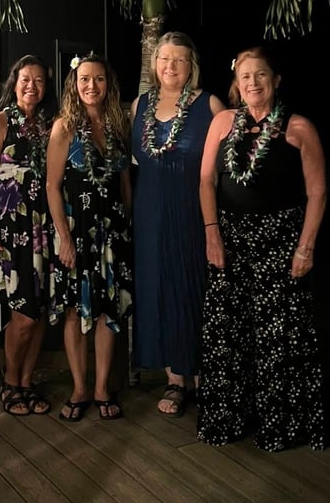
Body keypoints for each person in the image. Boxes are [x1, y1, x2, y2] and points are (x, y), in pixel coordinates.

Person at [197, 45, 326, 451]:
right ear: (237, 83)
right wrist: (212, 233)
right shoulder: (222, 122)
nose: (252, 83)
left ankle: (280, 425)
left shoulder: (299, 127)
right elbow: (206, 182)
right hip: (230, 240)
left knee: (279, 337)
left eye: (261, 75)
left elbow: (317, 193)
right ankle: (229, 420)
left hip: (280, 241)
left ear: (276, 80)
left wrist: (305, 248)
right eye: (245, 76)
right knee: (228, 333)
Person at [129, 32, 224, 417]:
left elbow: (227, 164)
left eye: (179, 60)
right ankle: (174, 379)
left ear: (191, 66)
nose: (171, 66)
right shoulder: (139, 106)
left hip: (193, 210)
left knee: (194, 287)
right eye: (164, 59)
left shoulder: (209, 104)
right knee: (159, 288)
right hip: (149, 212)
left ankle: (204, 374)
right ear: (155, 65)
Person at [46, 54, 133, 421]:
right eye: (84, 79)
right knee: (75, 310)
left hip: (112, 234)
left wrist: (126, 225)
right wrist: (64, 238)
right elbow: (52, 186)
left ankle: (101, 389)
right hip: (77, 233)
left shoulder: (117, 126)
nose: (91, 86)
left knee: (109, 311)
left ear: (108, 84)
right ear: (74, 83)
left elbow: (125, 183)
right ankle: (80, 388)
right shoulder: (64, 127)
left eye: (98, 79)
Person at [0, 55, 57, 415]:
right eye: (26, 79)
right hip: (12, 229)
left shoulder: (50, 124)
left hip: (45, 227)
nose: (31, 86)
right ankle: (10, 381)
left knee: (38, 311)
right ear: (15, 82)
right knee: (22, 314)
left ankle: (26, 381)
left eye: (38, 80)